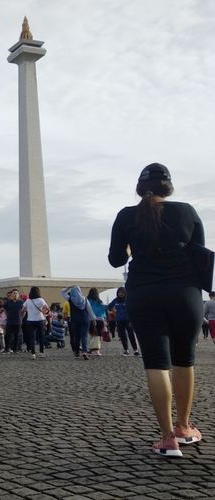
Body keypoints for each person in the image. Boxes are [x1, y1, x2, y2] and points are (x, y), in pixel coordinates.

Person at [109, 162, 206, 457]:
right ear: (169, 187)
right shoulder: (187, 211)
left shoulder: (127, 216)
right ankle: (184, 427)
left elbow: (115, 260)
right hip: (185, 293)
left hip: (144, 293)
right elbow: (198, 253)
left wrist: (130, 248)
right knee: (184, 360)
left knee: (156, 363)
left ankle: (167, 439)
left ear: (140, 188)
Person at [60, 286, 92, 360]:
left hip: (75, 320)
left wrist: (68, 287)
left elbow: (62, 292)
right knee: (84, 336)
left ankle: (77, 352)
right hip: (85, 319)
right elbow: (90, 310)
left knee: (76, 337)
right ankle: (84, 351)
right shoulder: (85, 299)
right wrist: (93, 319)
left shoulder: (70, 299)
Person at [108, 287, 139, 356]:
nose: (121, 294)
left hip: (128, 320)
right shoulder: (115, 300)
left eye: (122, 292)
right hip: (119, 320)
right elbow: (109, 307)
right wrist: (113, 311)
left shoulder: (128, 299)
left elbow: (133, 308)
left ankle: (135, 350)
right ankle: (126, 350)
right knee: (123, 336)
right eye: (119, 292)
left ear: (125, 293)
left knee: (131, 335)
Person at [22, 286, 50, 359]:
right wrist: (43, 312)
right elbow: (47, 308)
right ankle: (41, 353)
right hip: (40, 320)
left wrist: (21, 317)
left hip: (30, 320)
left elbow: (23, 310)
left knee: (31, 337)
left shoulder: (28, 301)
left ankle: (33, 354)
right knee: (41, 337)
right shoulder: (41, 300)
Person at [2, 289, 24, 354]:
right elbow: (5, 310)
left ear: (18, 295)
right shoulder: (7, 302)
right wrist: (8, 316)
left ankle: (15, 349)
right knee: (8, 336)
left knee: (17, 336)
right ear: (11, 295)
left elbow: (24, 311)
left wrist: (21, 318)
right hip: (9, 321)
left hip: (18, 321)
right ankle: (7, 349)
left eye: (16, 293)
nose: (15, 294)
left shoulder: (21, 302)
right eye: (14, 293)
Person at [87, 288, 107, 355]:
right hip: (99, 319)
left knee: (90, 334)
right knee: (98, 335)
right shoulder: (100, 301)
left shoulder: (87, 301)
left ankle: (89, 348)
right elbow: (103, 311)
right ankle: (97, 350)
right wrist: (104, 320)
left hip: (90, 319)